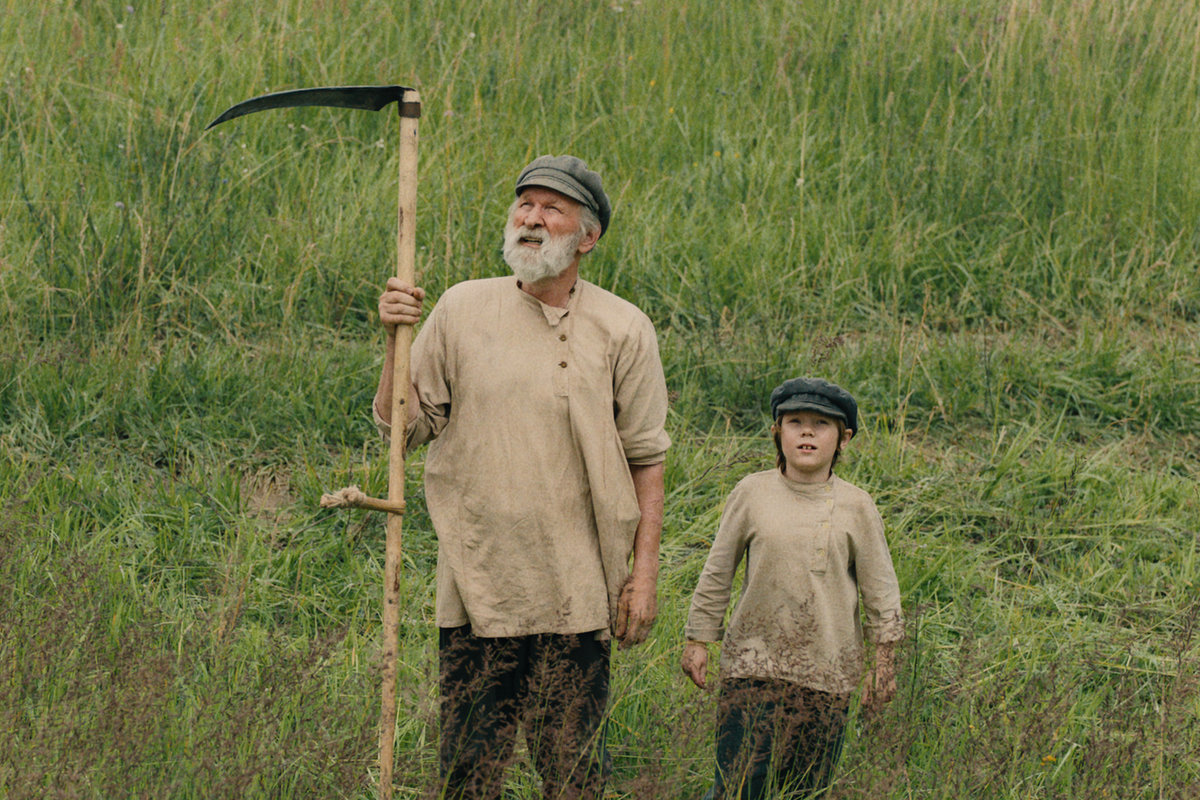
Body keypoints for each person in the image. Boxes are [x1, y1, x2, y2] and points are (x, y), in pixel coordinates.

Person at [373, 155, 670, 800]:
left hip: (579, 591)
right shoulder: (460, 309)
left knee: (572, 779)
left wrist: (642, 576)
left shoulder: (624, 328)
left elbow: (647, 460)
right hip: (481, 586)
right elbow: (405, 427)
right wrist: (396, 338)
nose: (532, 218)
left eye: (552, 208)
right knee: (468, 777)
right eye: (525, 204)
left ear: (587, 237)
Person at [681, 377, 903, 799]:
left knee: (806, 789)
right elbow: (717, 571)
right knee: (738, 785)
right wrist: (698, 639)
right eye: (795, 421)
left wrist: (884, 660)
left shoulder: (858, 506)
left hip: (827, 672)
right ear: (776, 433)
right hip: (753, 668)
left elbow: (881, 589)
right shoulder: (752, 492)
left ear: (844, 439)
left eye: (821, 424)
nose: (806, 432)